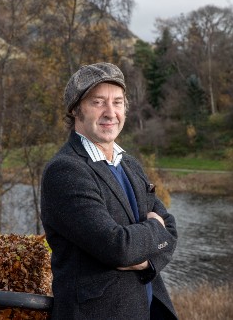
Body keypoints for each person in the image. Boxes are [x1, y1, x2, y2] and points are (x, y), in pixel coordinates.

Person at [41, 62, 178, 320]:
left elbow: (170, 229)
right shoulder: (66, 171)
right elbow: (117, 247)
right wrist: (153, 231)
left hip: (148, 310)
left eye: (117, 102)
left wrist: (148, 262)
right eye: (98, 102)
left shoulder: (129, 163)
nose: (110, 112)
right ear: (75, 110)